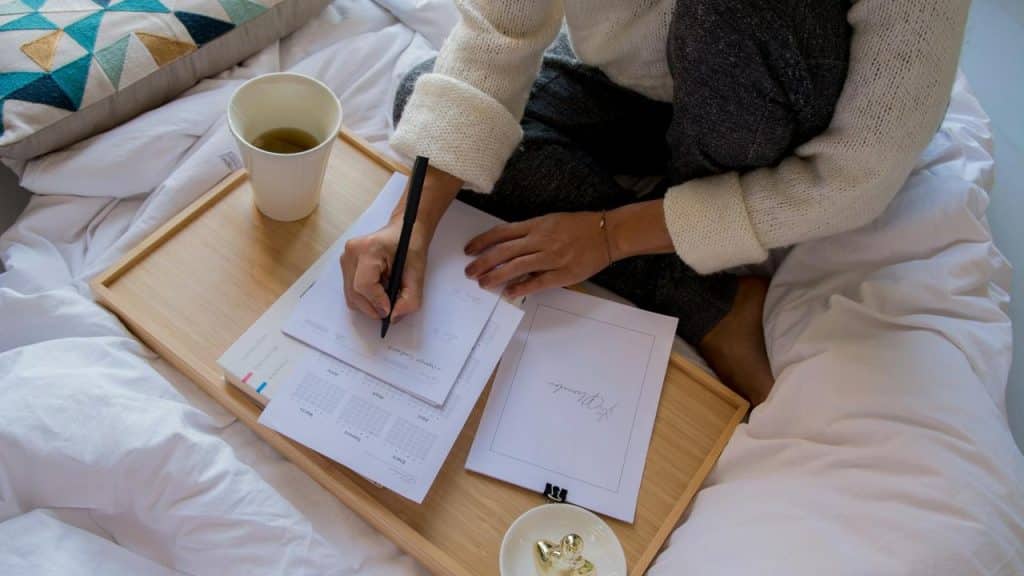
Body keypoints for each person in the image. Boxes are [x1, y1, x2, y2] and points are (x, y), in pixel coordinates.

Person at [340, 0, 968, 405]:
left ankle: (704, 288)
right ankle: (707, 297)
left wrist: (611, 234)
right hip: (635, 86)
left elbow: (857, 178)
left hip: (770, 111)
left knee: (729, 16)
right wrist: (411, 225)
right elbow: (501, 31)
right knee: (428, 102)